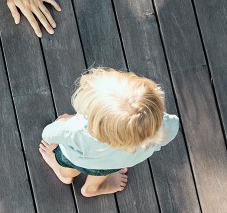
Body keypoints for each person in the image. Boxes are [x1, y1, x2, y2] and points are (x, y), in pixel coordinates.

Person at [39, 68, 181, 198]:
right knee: (102, 169)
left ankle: (65, 175)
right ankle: (91, 188)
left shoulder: (77, 130)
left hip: (78, 158)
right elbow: (172, 126)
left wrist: (65, 121)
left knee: (70, 165)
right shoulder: (161, 127)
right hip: (115, 162)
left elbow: (48, 134)